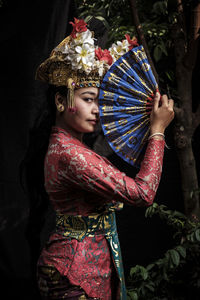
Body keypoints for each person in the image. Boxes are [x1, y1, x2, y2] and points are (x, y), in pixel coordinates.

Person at [34, 18, 174, 300]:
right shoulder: (70, 155)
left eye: (100, 100)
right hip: (74, 274)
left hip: (85, 266)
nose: (97, 110)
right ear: (61, 101)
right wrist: (157, 132)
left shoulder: (70, 147)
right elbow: (143, 193)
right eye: (88, 99)